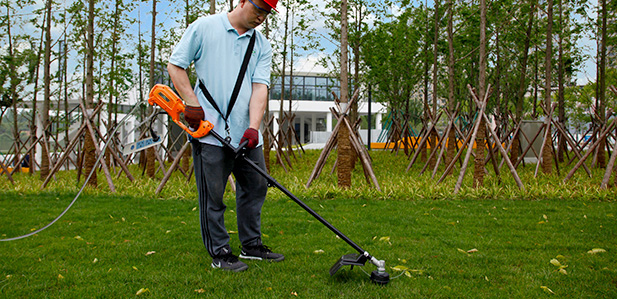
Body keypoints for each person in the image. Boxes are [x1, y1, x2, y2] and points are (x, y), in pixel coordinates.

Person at [167, 0, 283, 272]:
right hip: (210, 133)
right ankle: (220, 251)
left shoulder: (261, 45)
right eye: (258, 9)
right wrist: (191, 102)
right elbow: (176, 65)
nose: (261, 17)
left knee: (255, 188)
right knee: (213, 196)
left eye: (267, 13)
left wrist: (253, 127)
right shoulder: (205, 27)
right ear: (242, 1)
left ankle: (251, 245)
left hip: (246, 136)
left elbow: (259, 87)